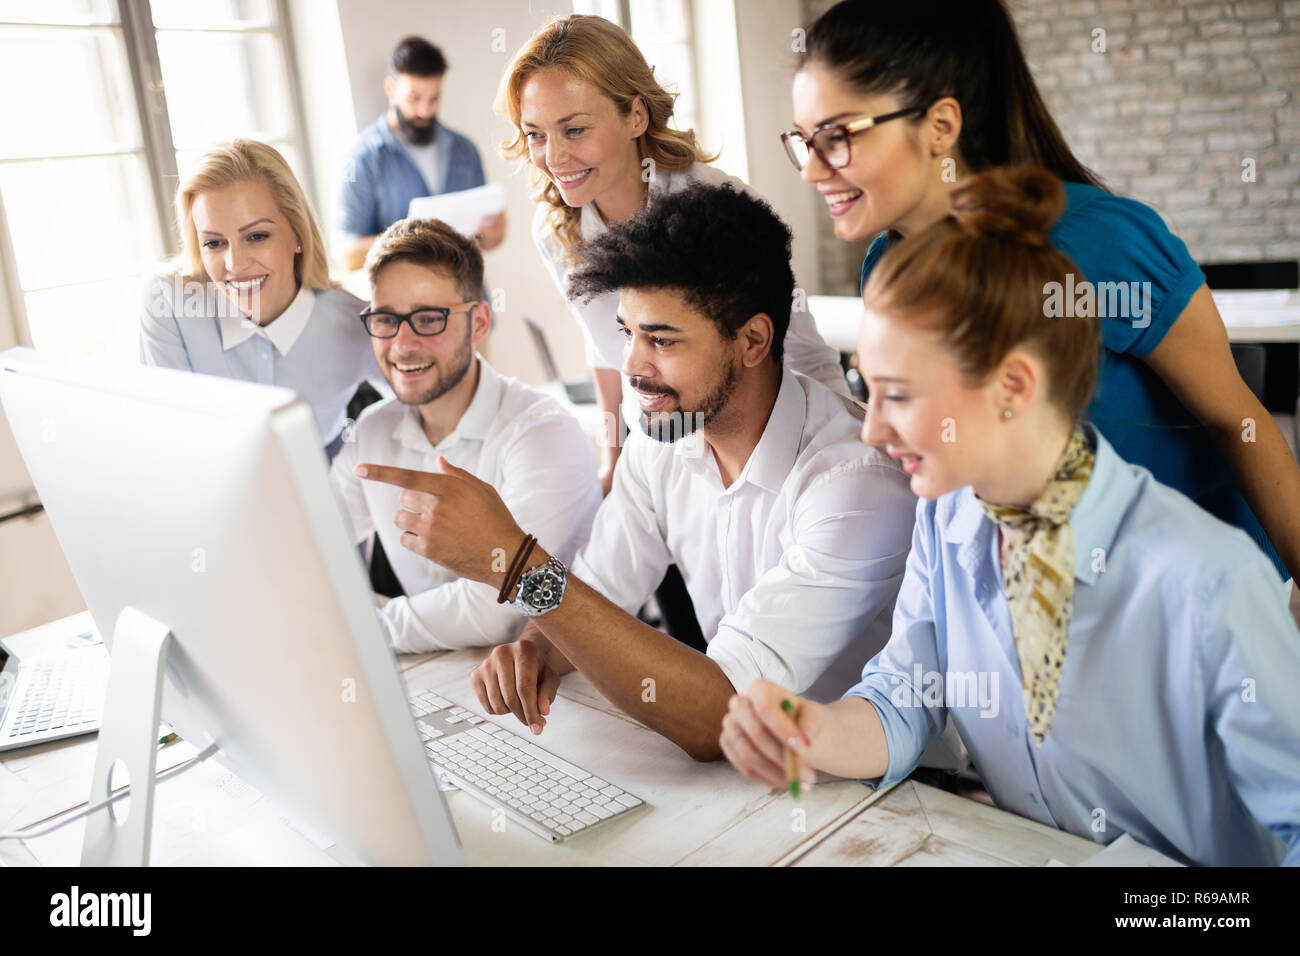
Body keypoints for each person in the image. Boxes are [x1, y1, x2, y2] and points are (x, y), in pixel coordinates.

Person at [719, 166, 1300, 867]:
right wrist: (809, 731)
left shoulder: (1210, 583)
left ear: (1013, 386)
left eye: (897, 395)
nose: (870, 430)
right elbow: (908, 693)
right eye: (865, 391)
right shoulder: (946, 517)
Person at [357, 183, 916, 760]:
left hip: (890, 797)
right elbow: (600, 593)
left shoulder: (854, 483)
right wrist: (538, 647)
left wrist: (518, 566)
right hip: (759, 779)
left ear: (753, 340)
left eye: (662, 339)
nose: (631, 366)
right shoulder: (665, 438)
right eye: (627, 332)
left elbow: (718, 717)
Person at [784, 0, 1300, 587]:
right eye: (803, 140)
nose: (811, 169)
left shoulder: (1100, 243)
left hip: (1185, 604)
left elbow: (1239, 422)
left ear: (941, 127)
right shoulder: (888, 267)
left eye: (837, 136)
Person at [497, 14, 847, 496]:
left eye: (574, 130)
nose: (553, 158)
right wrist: (612, 460)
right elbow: (603, 349)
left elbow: (804, 353)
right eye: (535, 134)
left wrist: (846, 462)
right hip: (661, 450)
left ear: (636, 115)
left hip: (761, 451)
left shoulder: (715, 205)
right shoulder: (557, 228)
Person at [330, 217, 600, 652]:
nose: (402, 344)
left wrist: (362, 629)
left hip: (556, 686)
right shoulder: (372, 431)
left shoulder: (543, 434)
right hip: (440, 671)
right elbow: (312, 551)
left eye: (428, 319)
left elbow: (501, 610)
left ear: (478, 323)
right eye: (386, 319)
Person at [139, 139, 386, 458]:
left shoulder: (355, 322)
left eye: (256, 237)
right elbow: (172, 438)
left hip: (321, 489)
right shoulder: (169, 303)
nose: (235, 264)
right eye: (214, 243)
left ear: (297, 233)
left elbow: (431, 409)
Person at [339, 36, 505, 271]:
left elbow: (488, 242)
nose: (425, 110)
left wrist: (494, 232)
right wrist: (412, 240)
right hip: (406, 304)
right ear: (391, 88)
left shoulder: (465, 150)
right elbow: (349, 256)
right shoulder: (363, 159)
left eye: (434, 99)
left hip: (470, 298)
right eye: (414, 98)